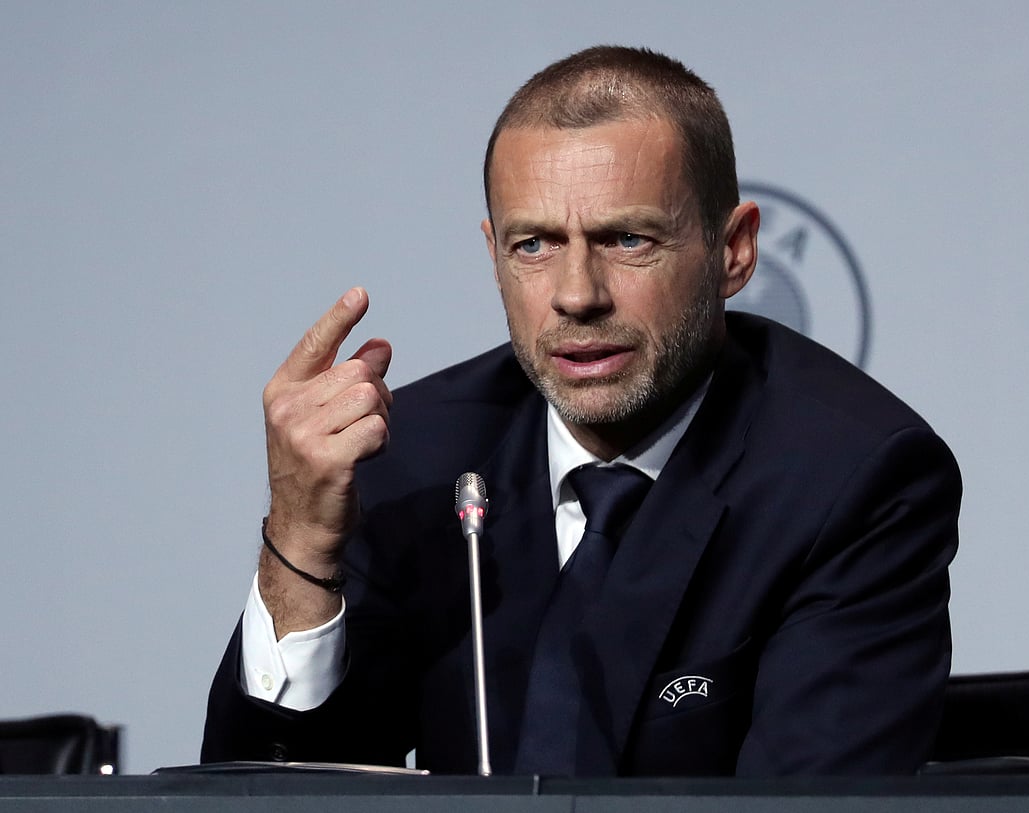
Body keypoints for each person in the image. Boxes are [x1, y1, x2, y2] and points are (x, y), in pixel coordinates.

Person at [202, 45, 961, 776]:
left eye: (627, 239)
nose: (575, 294)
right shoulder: (413, 454)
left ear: (732, 250)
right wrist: (299, 540)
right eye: (533, 245)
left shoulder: (852, 478)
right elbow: (269, 791)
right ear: (493, 253)